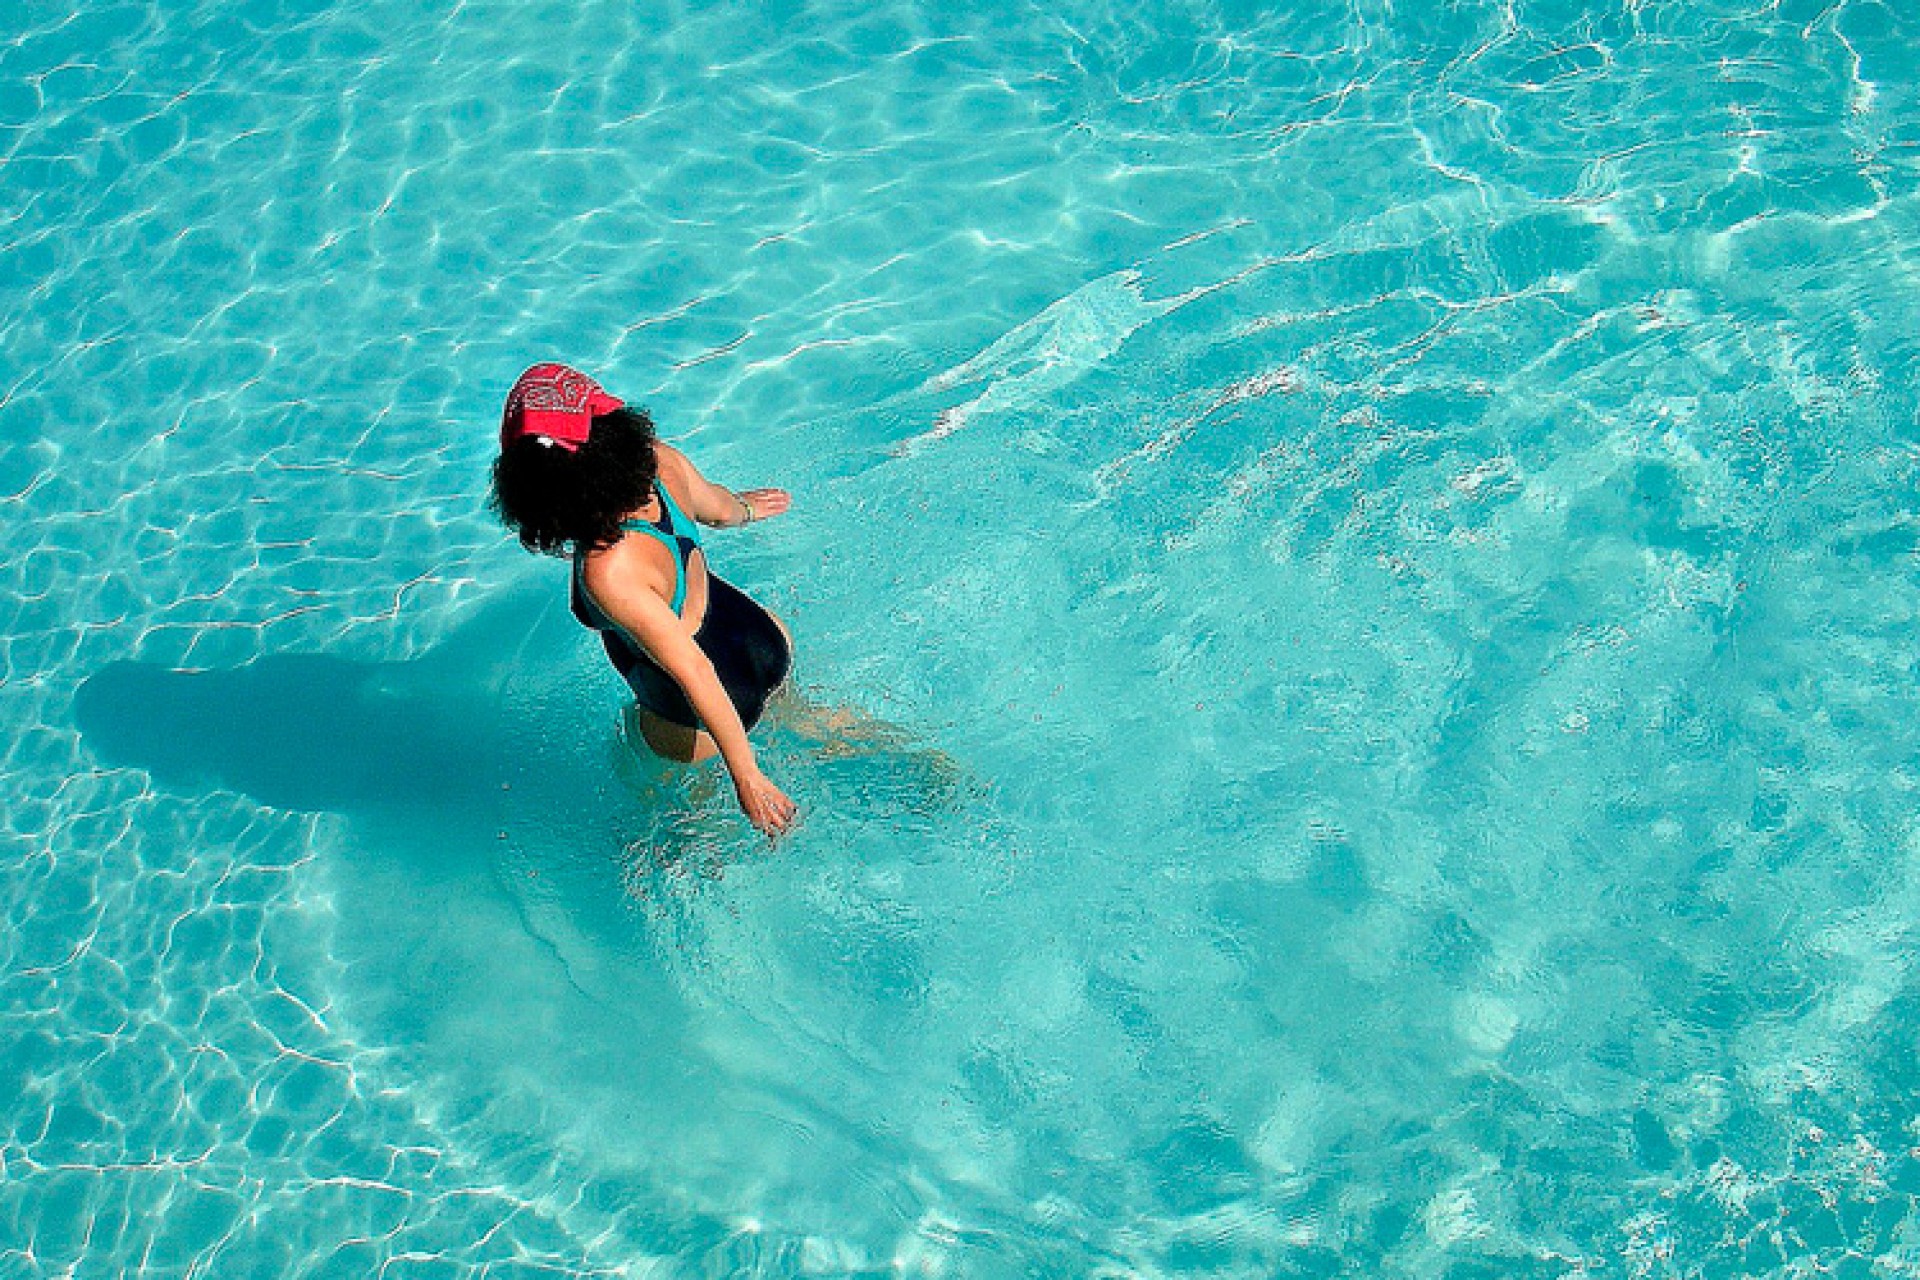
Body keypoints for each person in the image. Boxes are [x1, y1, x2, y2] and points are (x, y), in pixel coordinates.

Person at [489, 362, 798, 835]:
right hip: (759, 639)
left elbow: (694, 670)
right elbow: (719, 508)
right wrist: (750, 508)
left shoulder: (608, 569)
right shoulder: (660, 461)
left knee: (669, 822)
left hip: (694, 714)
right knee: (820, 725)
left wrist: (747, 775)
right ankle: (927, 770)